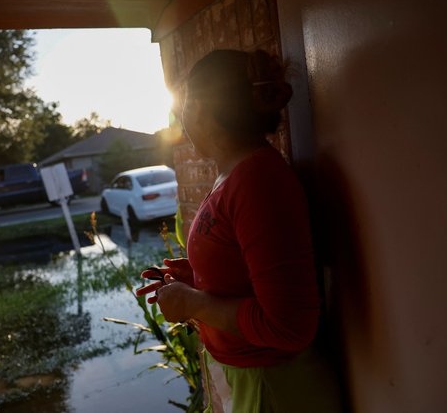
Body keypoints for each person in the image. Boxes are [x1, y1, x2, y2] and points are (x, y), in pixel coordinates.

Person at [136, 49, 341, 412]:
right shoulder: (235, 174)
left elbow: (289, 326)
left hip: (276, 387)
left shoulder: (257, 181)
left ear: (197, 107)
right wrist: (199, 277)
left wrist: (191, 302)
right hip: (255, 379)